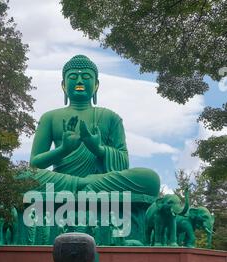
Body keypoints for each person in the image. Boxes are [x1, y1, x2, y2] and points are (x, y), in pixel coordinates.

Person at [23, 54, 160, 197]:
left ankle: (79, 187)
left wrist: (99, 149)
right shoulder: (49, 117)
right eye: (73, 77)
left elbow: (123, 163)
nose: (80, 81)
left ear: (96, 85)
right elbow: (34, 166)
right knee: (22, 176)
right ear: (63, 85)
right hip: (68, 180)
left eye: (87, 77)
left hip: (96, 181)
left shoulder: (110, 117)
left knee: (151, 179)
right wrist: (64, 149)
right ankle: (83, 185)